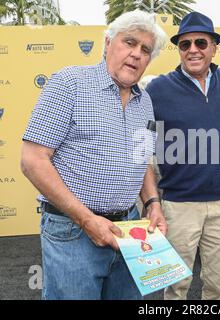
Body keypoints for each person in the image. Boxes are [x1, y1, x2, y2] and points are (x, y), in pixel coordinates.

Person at [20, 10, 167, 300]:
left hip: (129, 230)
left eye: (145, 49)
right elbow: (32, 160)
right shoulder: (69, 84)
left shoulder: (145, 101)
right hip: (73, 231)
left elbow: (142, 159)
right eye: (129, 42)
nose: (136, 54)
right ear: (108, 43)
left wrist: (152, 203)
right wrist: (88, 220)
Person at [146, 12, 220, 300]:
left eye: (201, 42)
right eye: (185, 45)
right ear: (179, 50)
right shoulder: (158, 89)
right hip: (178, 206)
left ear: (213, 47)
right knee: (175, 285)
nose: (193, 50)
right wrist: (152, 202)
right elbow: (141, 151)